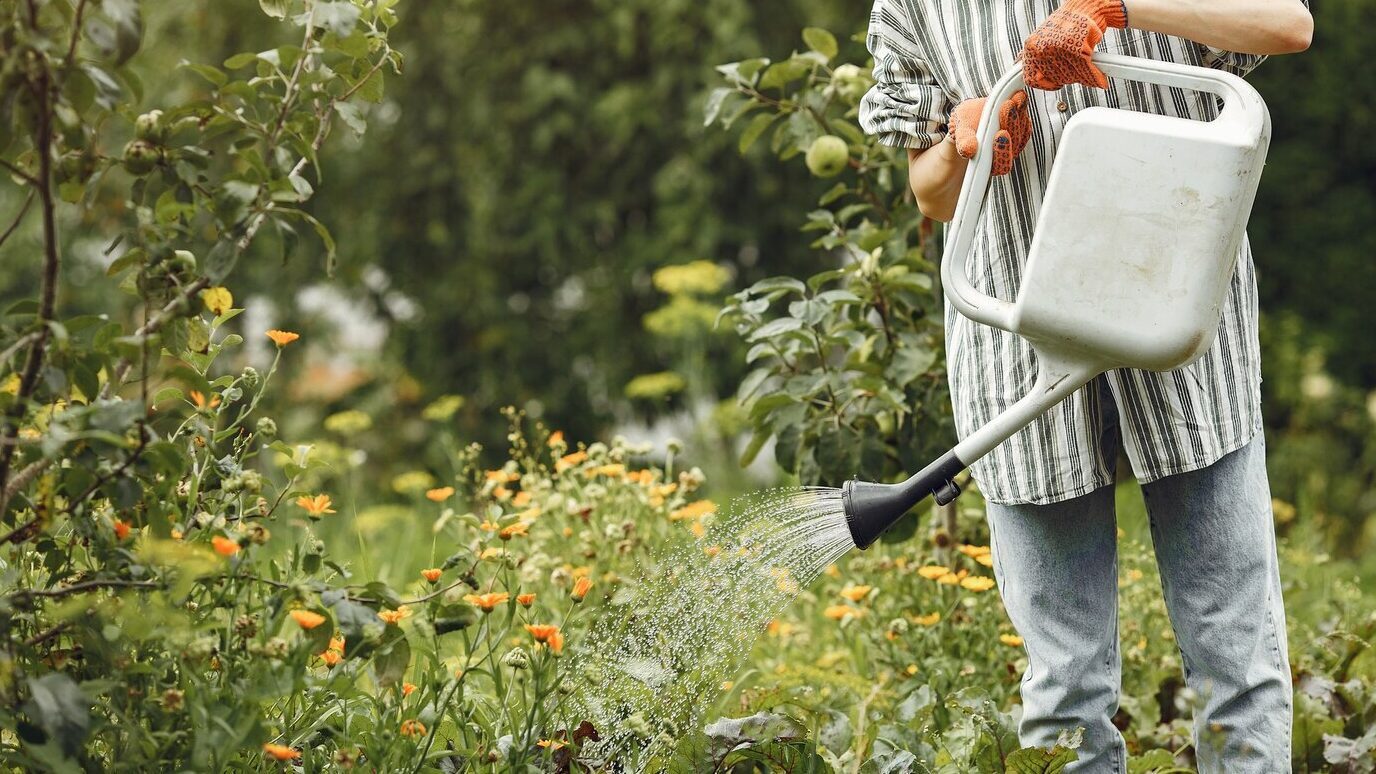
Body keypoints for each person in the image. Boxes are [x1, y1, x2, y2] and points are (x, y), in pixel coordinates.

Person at [858, 0, 1312, 771]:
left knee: (1236, 663)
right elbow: (930, 195)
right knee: (1064, 689)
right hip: (1018, 343)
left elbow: (1288, 24)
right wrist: (966, 140)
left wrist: (1117, 6)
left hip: (1182, 324)